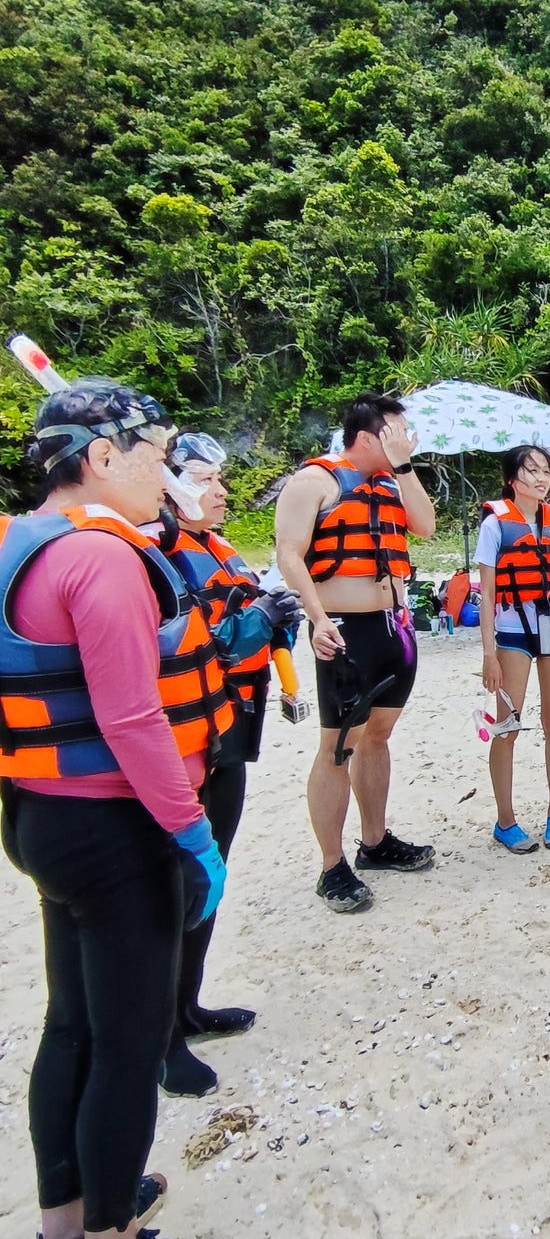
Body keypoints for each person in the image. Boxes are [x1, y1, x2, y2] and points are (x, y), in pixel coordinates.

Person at [1, 380, 234, 1239]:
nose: (167, 471)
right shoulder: (100, 559)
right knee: (130, 1041)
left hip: (39, 816)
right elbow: (134, 717)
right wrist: (192, 832)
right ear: (102, 457)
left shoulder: (18, 539)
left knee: (73, 1023)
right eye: (156, 451)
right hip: (114, 825)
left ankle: (62, 1229)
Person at [154, 431, 302, 1096]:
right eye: (206, 480)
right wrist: (256, 619)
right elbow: (200, 640)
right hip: (186, 744)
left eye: (221, 479)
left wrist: (280, 615)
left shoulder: (215, 547)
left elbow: (245, 621)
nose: (221, 492)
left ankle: (186, 1006)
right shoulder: (154, 557)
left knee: (208, 879)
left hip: (230, 733)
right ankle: (159, 1038)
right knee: (175, 885)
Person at [274, 392, 437, 911]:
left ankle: (375, 843)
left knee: (378, 736)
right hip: (344, 632)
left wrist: (405, 465)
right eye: (396, 432)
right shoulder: (313, 482)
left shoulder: (392, 481)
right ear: (367, 436)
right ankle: (331, 866)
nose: (405, 439)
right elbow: (288, 555)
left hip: (394, 628)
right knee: (338, 747)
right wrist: (318, 618)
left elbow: (426, 526)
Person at [476, 445, 550, 853]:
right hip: (512, 632)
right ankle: (505, 821)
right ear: (512, 479)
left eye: (545, 471)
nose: (541, 478)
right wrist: (489, 654)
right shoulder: (494, 525)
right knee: (508, 727)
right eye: (531, 471)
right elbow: (486, 595)